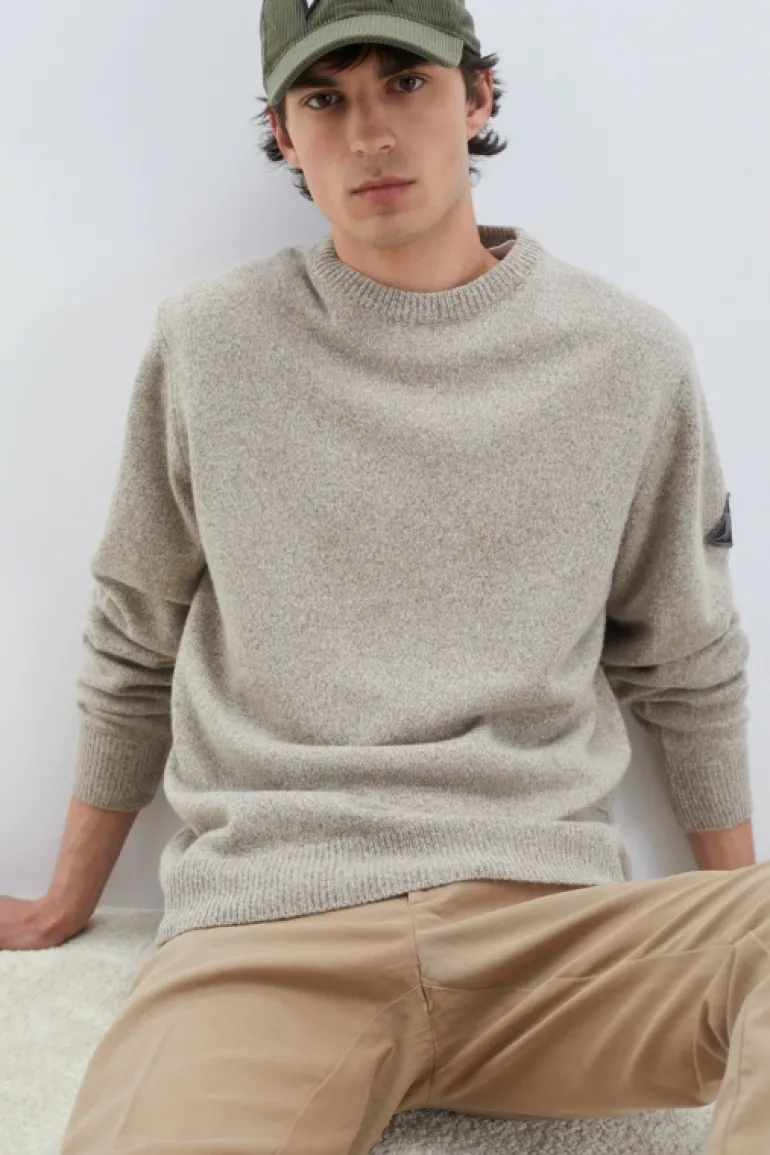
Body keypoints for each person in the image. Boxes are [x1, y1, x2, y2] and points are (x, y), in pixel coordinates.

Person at [1, 1, 766, 1152]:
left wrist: (733, 934)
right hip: (268, 935)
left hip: (543, 936)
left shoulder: (626, 357)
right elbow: (134, 632)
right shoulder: (210, 343)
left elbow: (687, 661)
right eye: (325, 99)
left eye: (404, 83)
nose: (368, 134)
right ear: (283, 132)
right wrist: (68, 899)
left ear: (476, 95)